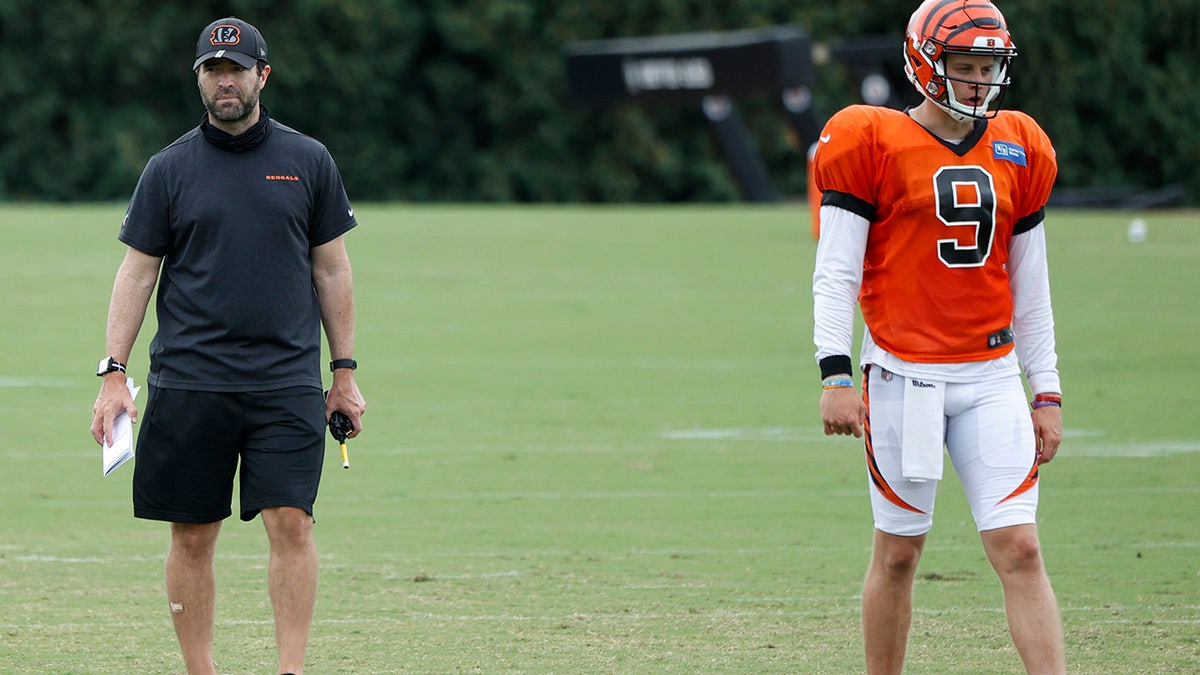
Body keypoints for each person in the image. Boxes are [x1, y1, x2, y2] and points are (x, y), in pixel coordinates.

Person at [89, 16, 365, 675]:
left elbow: (332, 269)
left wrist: (345, 373)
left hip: (285, 381)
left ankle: (290, 670)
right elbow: (137, 272)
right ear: (200, 80)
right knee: (191, 535)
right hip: (191, 381)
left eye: (237, 69)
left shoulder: (307, 162)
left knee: (292, 524)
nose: (225, 81)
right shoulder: (169, 168)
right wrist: (112, 372)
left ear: (261, 75)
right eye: (212, 70)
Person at [811, 1, 1066, 673]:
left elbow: (1030, 286)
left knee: (1021, 546)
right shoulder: (870, 138)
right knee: (898, 552)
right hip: (903, 374)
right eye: (966, 66)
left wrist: (1047, 391)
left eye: (988, 67)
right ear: (926, 64)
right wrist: (834, 372)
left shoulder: (1019, 144)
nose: (980, 81)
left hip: (990, 374)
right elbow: (835, 270)